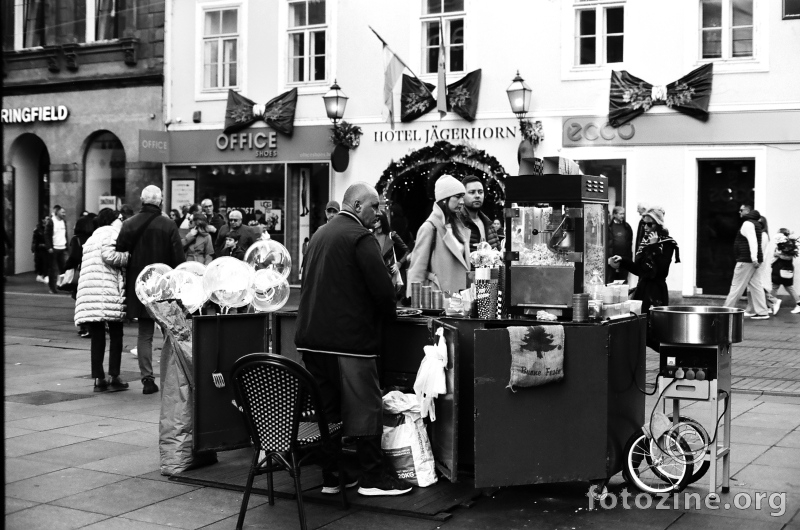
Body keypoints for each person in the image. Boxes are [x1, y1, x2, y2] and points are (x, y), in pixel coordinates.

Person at [295, 182, 411, 497]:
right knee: (365, 408)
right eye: (375, 206)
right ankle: (373, 478)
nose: (379, 212)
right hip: (348, 341)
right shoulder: (360, 237)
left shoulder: (319, 234)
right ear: (357, 205)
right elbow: (383, 292)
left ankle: (334, 477)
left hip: (311, 340)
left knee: (329, 412)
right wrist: (392, 309)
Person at [116, 185, 185, 395]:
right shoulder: (169, 224)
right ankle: (170, 375)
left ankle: (147, 379)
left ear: (141, 200)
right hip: (164, 287)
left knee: (144, 334)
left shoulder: (128, 224)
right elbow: (179, 260)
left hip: (141, 286)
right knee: (169, 332)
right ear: (161, 201)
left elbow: (120, 252)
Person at [74, 208, 131, 392]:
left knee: (97, 336)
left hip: (91, 293)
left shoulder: (91, 239)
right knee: (116, 334)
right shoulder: (110, 234)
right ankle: (114, 375)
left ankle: (99, 378)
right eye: (119, 218)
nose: (121, 221)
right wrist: (128, 257)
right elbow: (110, 256)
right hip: (107, 292)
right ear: (112, 220)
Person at [608, 206, 680, 349]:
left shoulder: (668, 243)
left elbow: (661, 271)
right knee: (637, 328)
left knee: (655, 332)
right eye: (643, 223)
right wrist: (622, 260)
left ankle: (671, 357)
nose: (645, 227)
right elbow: (640, 270)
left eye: (649, 224)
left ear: (658, 224)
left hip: (656, 292)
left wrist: (654, 248)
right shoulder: (645, 242)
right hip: (643, 290)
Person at [406, 175, 470, 296]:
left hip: (460, 298)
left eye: (462, 196)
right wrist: (413, 300)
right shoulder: (430, 227)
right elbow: (417, 269)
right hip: (438, 299)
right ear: (444, 199)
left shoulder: (459, 228)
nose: (462, 201)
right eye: (457, 197)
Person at [722, 204, 769, 319]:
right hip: (752, 261)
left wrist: (754, 258)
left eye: (741, 210)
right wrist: (756, 258)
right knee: (756, 285)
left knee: (736, 286)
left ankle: (725, 310)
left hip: (746, 260)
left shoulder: (748, 224)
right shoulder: (756, 224)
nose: (739, 212)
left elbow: (752, 242)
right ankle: (762, 311)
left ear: (747, 211)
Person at [373, 211, 410, 299]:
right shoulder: (370, 236)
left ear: (382, 220)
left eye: (377, 219)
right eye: (374, 219)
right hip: (374, 275)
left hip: (389, 276)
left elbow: (407, 250)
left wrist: (399, 264)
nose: (375, 221)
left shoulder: (391, 235)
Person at [459, 175, 500, 253]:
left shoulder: (489, 225)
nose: (477, 196)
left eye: (480, 192)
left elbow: (499, 255)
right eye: (472, 192)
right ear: (462, 195)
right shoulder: (457, 223)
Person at [771, 229, 800, 314]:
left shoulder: (787, 245)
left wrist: (778, 255)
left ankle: (772, 303)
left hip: (782, 268)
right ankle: (771, 303)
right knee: (786, 287)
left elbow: (788, 257)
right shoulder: (786, 245)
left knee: (778, 287)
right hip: (782, 268)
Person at [45, 205, 69, 294]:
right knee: (53, 269)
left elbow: (65, 235)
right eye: (62, 212)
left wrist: (66, 246)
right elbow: (47, 235)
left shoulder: (64, 222)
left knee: (64, 269)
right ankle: (52, 287)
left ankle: (63, 286)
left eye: (64, 212)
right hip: (54, 249)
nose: (64, 214)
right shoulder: (51, 222)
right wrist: (49, 247)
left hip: (63, 248)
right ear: (57, 212)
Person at [607, 206, 633, 282]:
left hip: (624, 258)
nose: (622, 216)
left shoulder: (627, 227)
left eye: (623, 214)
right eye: (620, 214)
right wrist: (608, 257)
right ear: (614, 214)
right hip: (612, 259)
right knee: (611, 281)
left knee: (623, 281)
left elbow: (630, 243)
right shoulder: (609, 227)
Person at [32, 215, 49, 283]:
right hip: (40, 249)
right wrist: (33, 250)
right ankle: (43, 275)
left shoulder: (49, 228)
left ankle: (43, 275)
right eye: (46, 219)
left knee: (46, 263)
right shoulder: (38, 229)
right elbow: (34, 240)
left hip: (47, 248)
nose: (47, 220)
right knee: (42, 262)